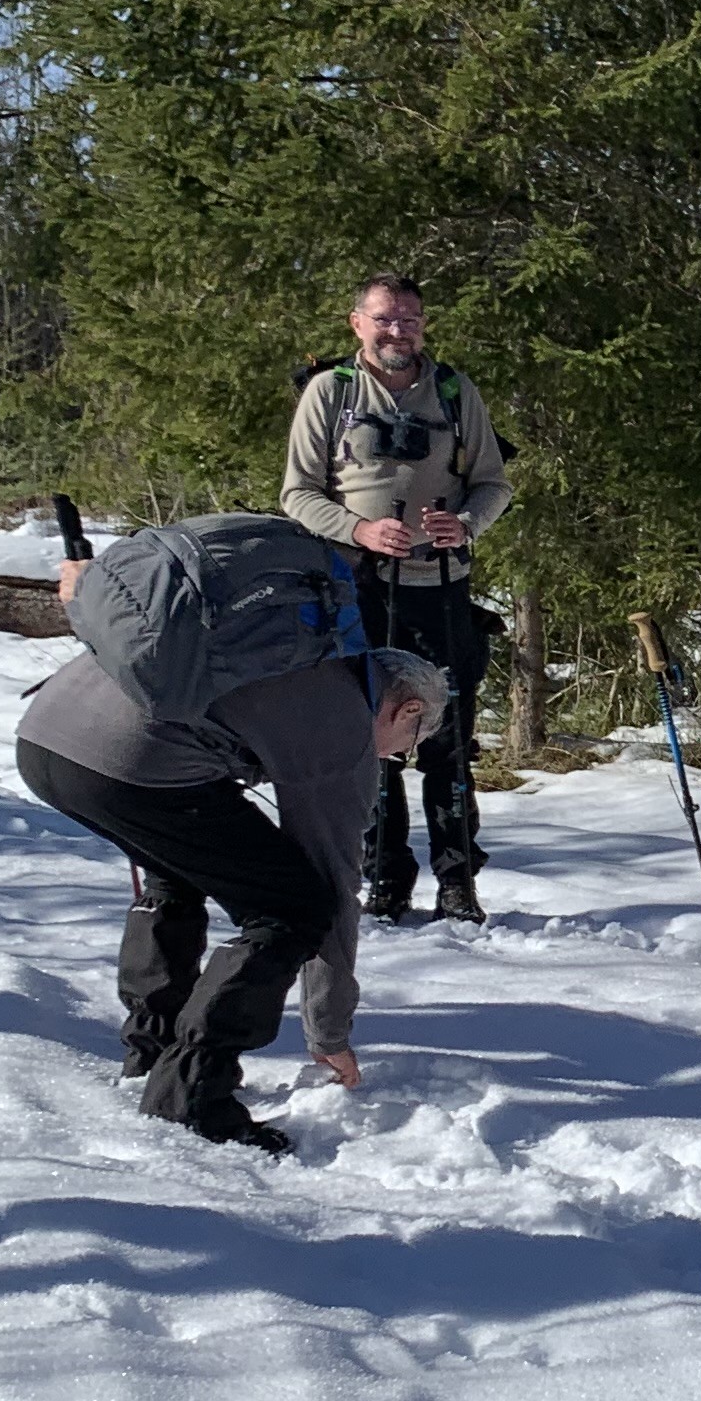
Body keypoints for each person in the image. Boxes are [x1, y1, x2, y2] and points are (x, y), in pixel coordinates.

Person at [16, 583, 447, 1156]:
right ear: (407, 709)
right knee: (294, 907)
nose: (392, 759)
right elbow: (333, 889)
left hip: (45, 740)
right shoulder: (341, 720)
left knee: (182, 868)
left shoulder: (300, 653)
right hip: (128, 762)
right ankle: (193, 1096)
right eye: (406, 745)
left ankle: (152, 1049)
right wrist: (329, 1034)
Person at [282, 275, 509, 925]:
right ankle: (383, 874)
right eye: (385, 320)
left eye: (409, 320)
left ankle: (457, 879)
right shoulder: (332, 393)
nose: (397, 332)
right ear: (358, 324)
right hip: (356, 588)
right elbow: (298, 495)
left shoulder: (454, 393)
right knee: (366, 736)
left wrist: (463, 524)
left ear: (423, 325)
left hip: (441, 588)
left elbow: (495, 485)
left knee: (449, 737)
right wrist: (358, 529)